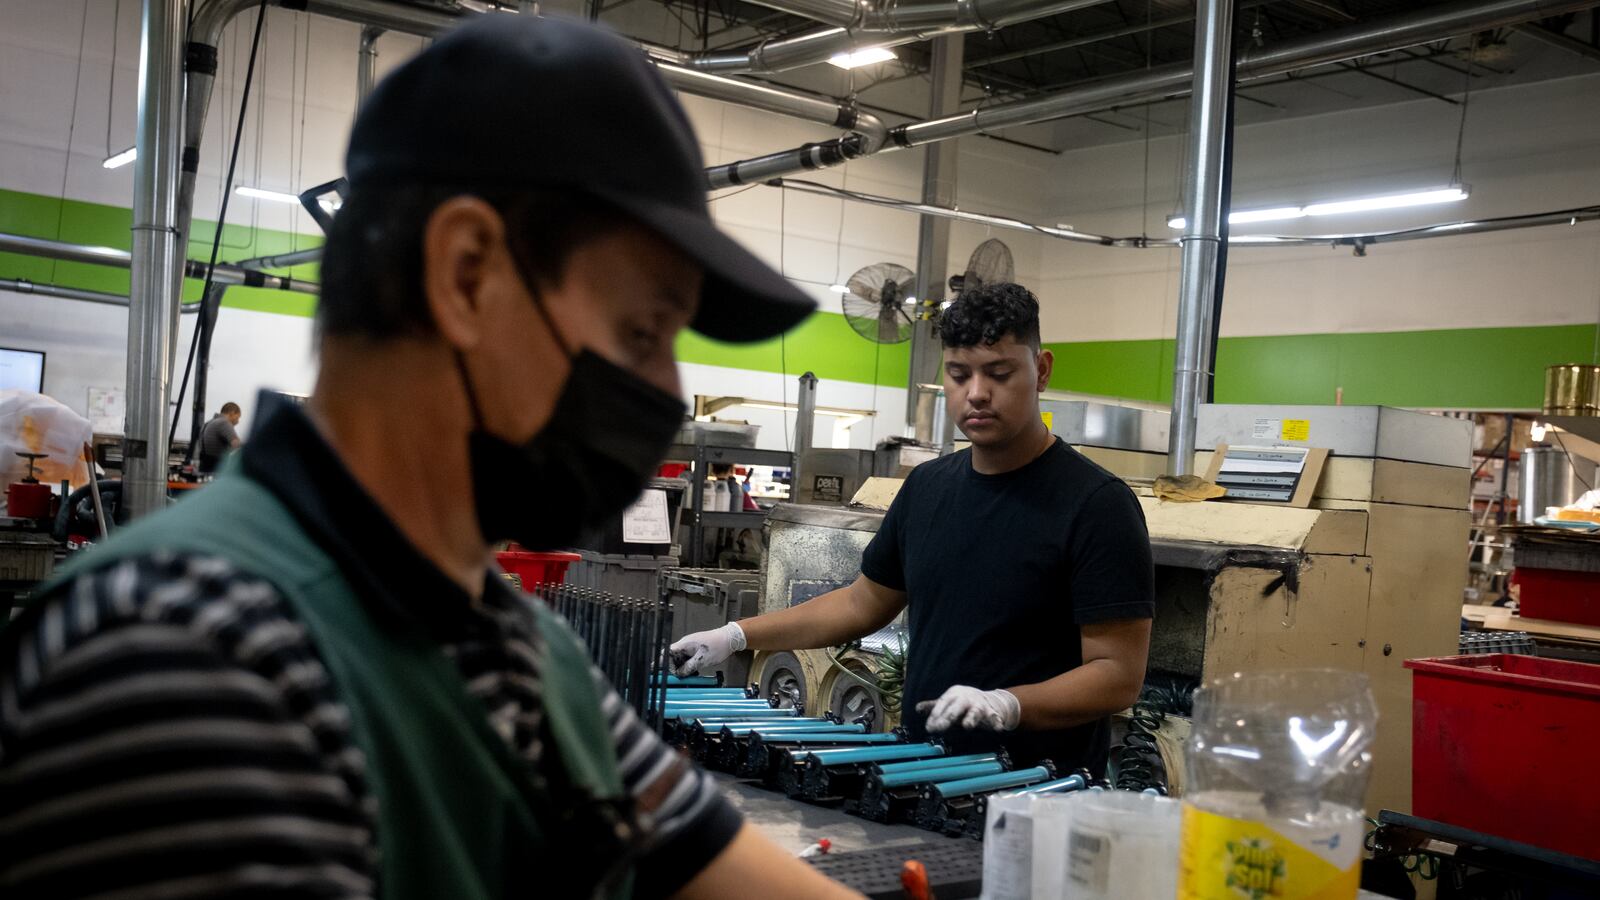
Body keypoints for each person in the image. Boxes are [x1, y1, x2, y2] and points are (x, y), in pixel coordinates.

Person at [0, 17, 859, 900]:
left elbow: (723, 873)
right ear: (465, 274)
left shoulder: (511, 646)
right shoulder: (186, 657)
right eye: (642, 330)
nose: (666, 390)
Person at [673, 284, 1154, 776]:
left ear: (1042, 371)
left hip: (1040, 788)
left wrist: (1010, 704)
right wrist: (736, 635)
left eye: (999, 373)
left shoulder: (1096, 504)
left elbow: (1116, 675)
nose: (977, 393)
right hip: (924, 775)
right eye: (959, 374)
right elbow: (859, 604)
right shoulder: (927, 487)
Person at [196, 400, 243, 473]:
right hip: (216, 469)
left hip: (203, 468)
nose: (238, 421)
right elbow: (236, 444)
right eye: (238, 417)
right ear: (232, 413)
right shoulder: (224, 423)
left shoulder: (208, 423)